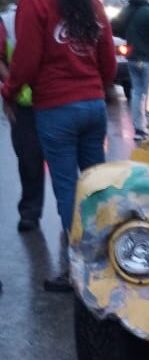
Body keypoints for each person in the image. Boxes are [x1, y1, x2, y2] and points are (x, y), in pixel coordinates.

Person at [1, 0, 117, 292]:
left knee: (68, 188)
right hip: (93, 105)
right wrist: (93, 88)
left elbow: (26, 60)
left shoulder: (34, 5)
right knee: (96, 184)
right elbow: (108, 59)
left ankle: (78, 269)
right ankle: (108, 259)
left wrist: (9, 92)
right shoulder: (92, 4)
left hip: (56, 107)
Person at [0, 7, 45, 233]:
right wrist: (11, 87)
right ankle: (30, 213)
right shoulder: (7, 21)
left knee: (60, 163)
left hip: (51, 99)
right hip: (24, 103)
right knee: (29, 161)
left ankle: (69, 216)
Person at [112, 0, 149, 141]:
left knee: (136, 92)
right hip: (148, 59)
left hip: (132, 59)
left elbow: (114, 27)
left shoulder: (127, 11)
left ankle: (138, 129)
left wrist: (128, 36)